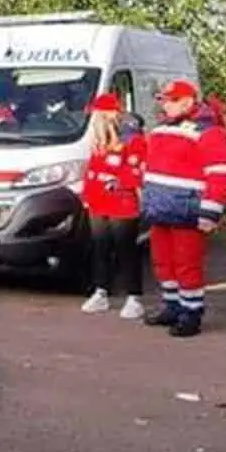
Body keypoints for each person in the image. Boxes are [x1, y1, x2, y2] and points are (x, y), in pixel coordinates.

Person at [138, 80, 226, 338]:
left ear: (188, 101)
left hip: (187, 207)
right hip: (160, 206)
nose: (165, 104)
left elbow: (220, 174)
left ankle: (191, 312)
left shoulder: (209, 132)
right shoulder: (160, 129)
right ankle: (172, 305)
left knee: (186, 263)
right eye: (163, 100)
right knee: (163, 261)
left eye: (171, 100)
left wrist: (210, 212)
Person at [80, 93, 147, 319]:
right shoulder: (99, 141)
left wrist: (120, 183)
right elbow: (92, 171)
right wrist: (87, 196)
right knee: (100, 247)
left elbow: (136, 172)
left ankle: (134, 296)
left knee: (125, 249)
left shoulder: (131, 139)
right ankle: (101, 291)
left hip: (122, 203)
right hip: (99, 203)